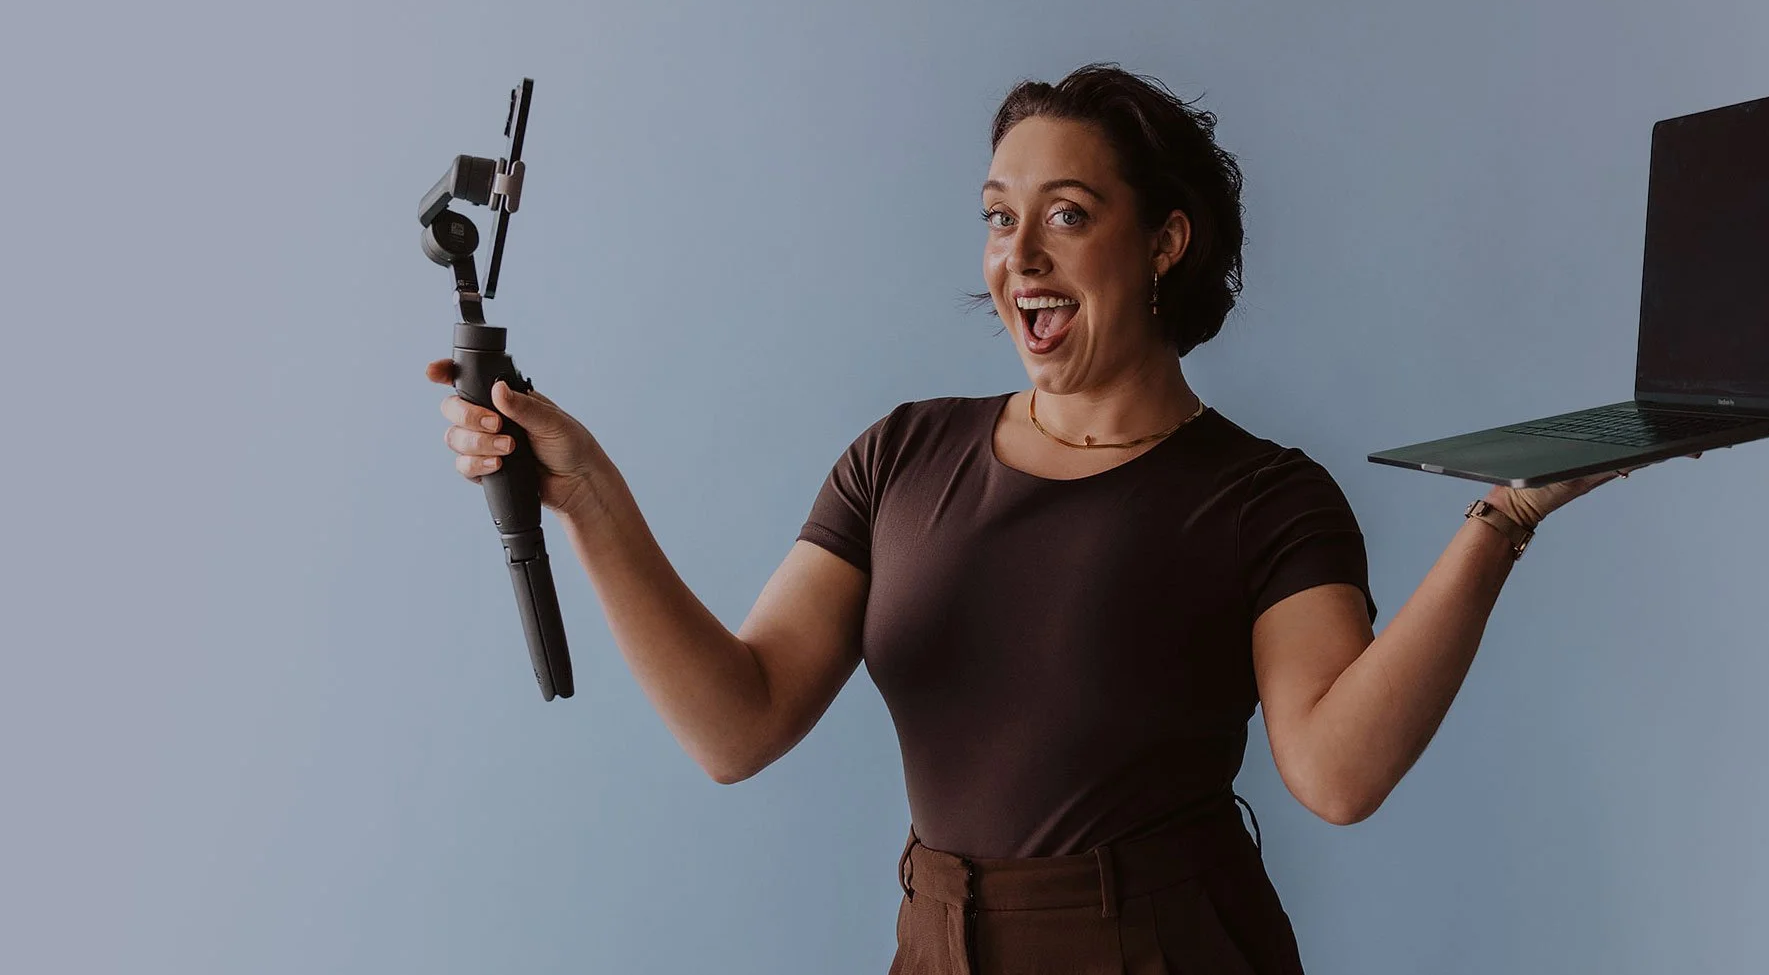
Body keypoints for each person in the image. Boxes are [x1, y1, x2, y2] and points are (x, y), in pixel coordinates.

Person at [426, 63, 1692, 973]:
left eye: (1067, 214)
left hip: (1158, 946)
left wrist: (1500, 519)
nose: (1018, 253)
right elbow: (736, 721)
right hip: (937, 942)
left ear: (1164, 243)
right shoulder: (901, 453)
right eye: (997, 215)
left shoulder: (1259, 496)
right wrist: (585, 487)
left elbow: (1335, 770)